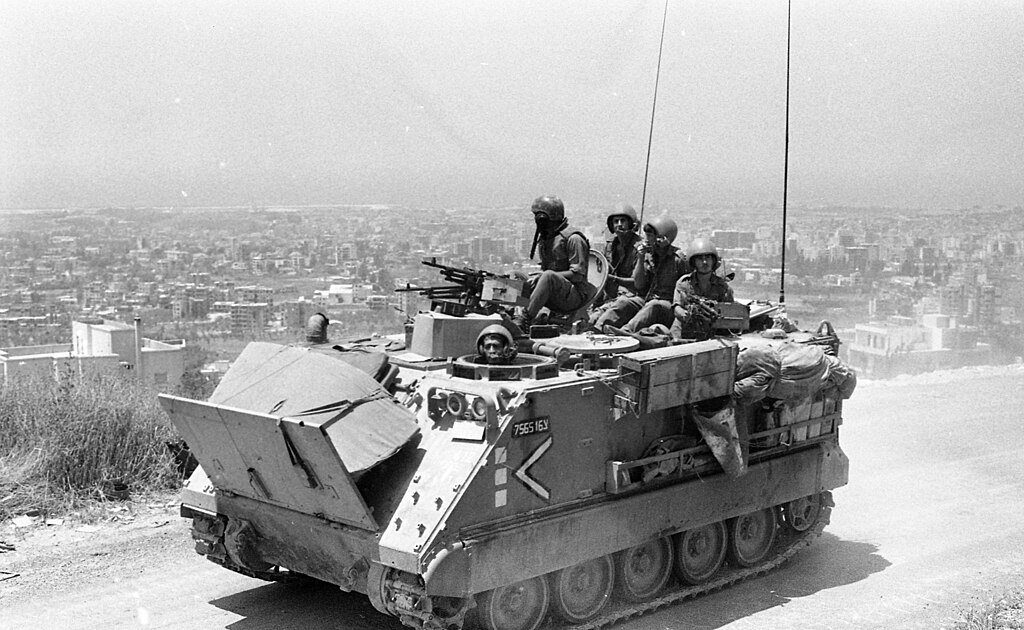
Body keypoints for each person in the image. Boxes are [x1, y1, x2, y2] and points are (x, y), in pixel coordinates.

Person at [596, 214, 688, 332]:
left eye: (650, 236)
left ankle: (626, 331)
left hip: (668, 306)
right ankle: (598, 328)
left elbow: (687, 288)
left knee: (654, 305)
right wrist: (641, 258)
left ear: (662, 238)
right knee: (624, 302)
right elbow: (639, 285)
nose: (646, 239)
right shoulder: (648, 256)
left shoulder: (678, 259)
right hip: (647, 300)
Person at [514, 195, 590, 332]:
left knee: (548, 276)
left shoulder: (573, 238)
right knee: (515, 275)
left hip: (573, 296)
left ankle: (525, 319)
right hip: (555, 291)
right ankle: (510, 313)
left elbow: (578, 275)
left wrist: (546, 276)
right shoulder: (547, 238)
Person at [671, 238, 734, 339]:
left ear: (713, 261)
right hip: (684, 330)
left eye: (708, 258)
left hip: (711, 330)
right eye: (700, 259)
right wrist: (685, 314)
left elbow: (730, 313)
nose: (705, 262)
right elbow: (676, 307)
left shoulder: (723, 287)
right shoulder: (684, 283)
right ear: (693, 262)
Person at [596, 204, 641, 305]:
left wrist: (615, 279)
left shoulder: (639, 248)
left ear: (631, 224)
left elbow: (638, 283)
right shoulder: (610, 246)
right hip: (610, 294)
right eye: (616, 221)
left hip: (631, 296)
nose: (619, 224)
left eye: (623, 221)